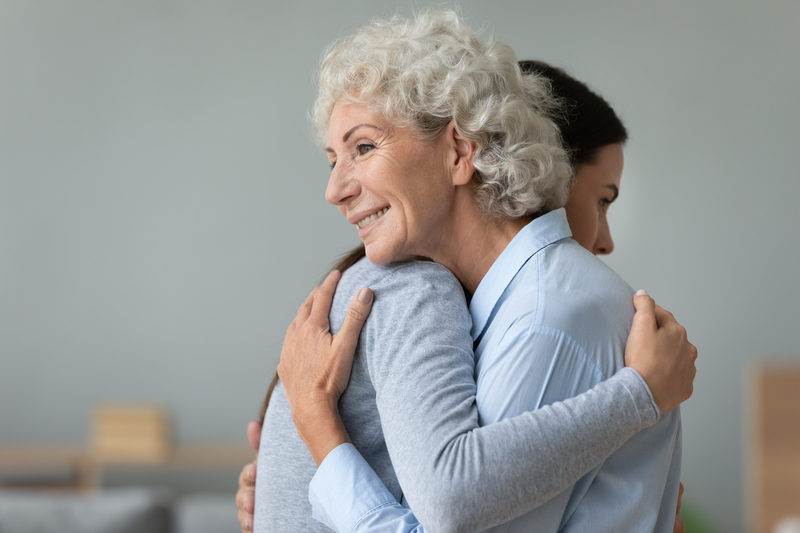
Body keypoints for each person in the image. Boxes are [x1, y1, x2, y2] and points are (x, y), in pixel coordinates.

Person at [238, 11, 695, 533]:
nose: (334, 189)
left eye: (363, 147)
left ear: (459, 151)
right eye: (333, 159)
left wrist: (318, 431)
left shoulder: (523, 310)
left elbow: (452, 499)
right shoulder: (417, 291)